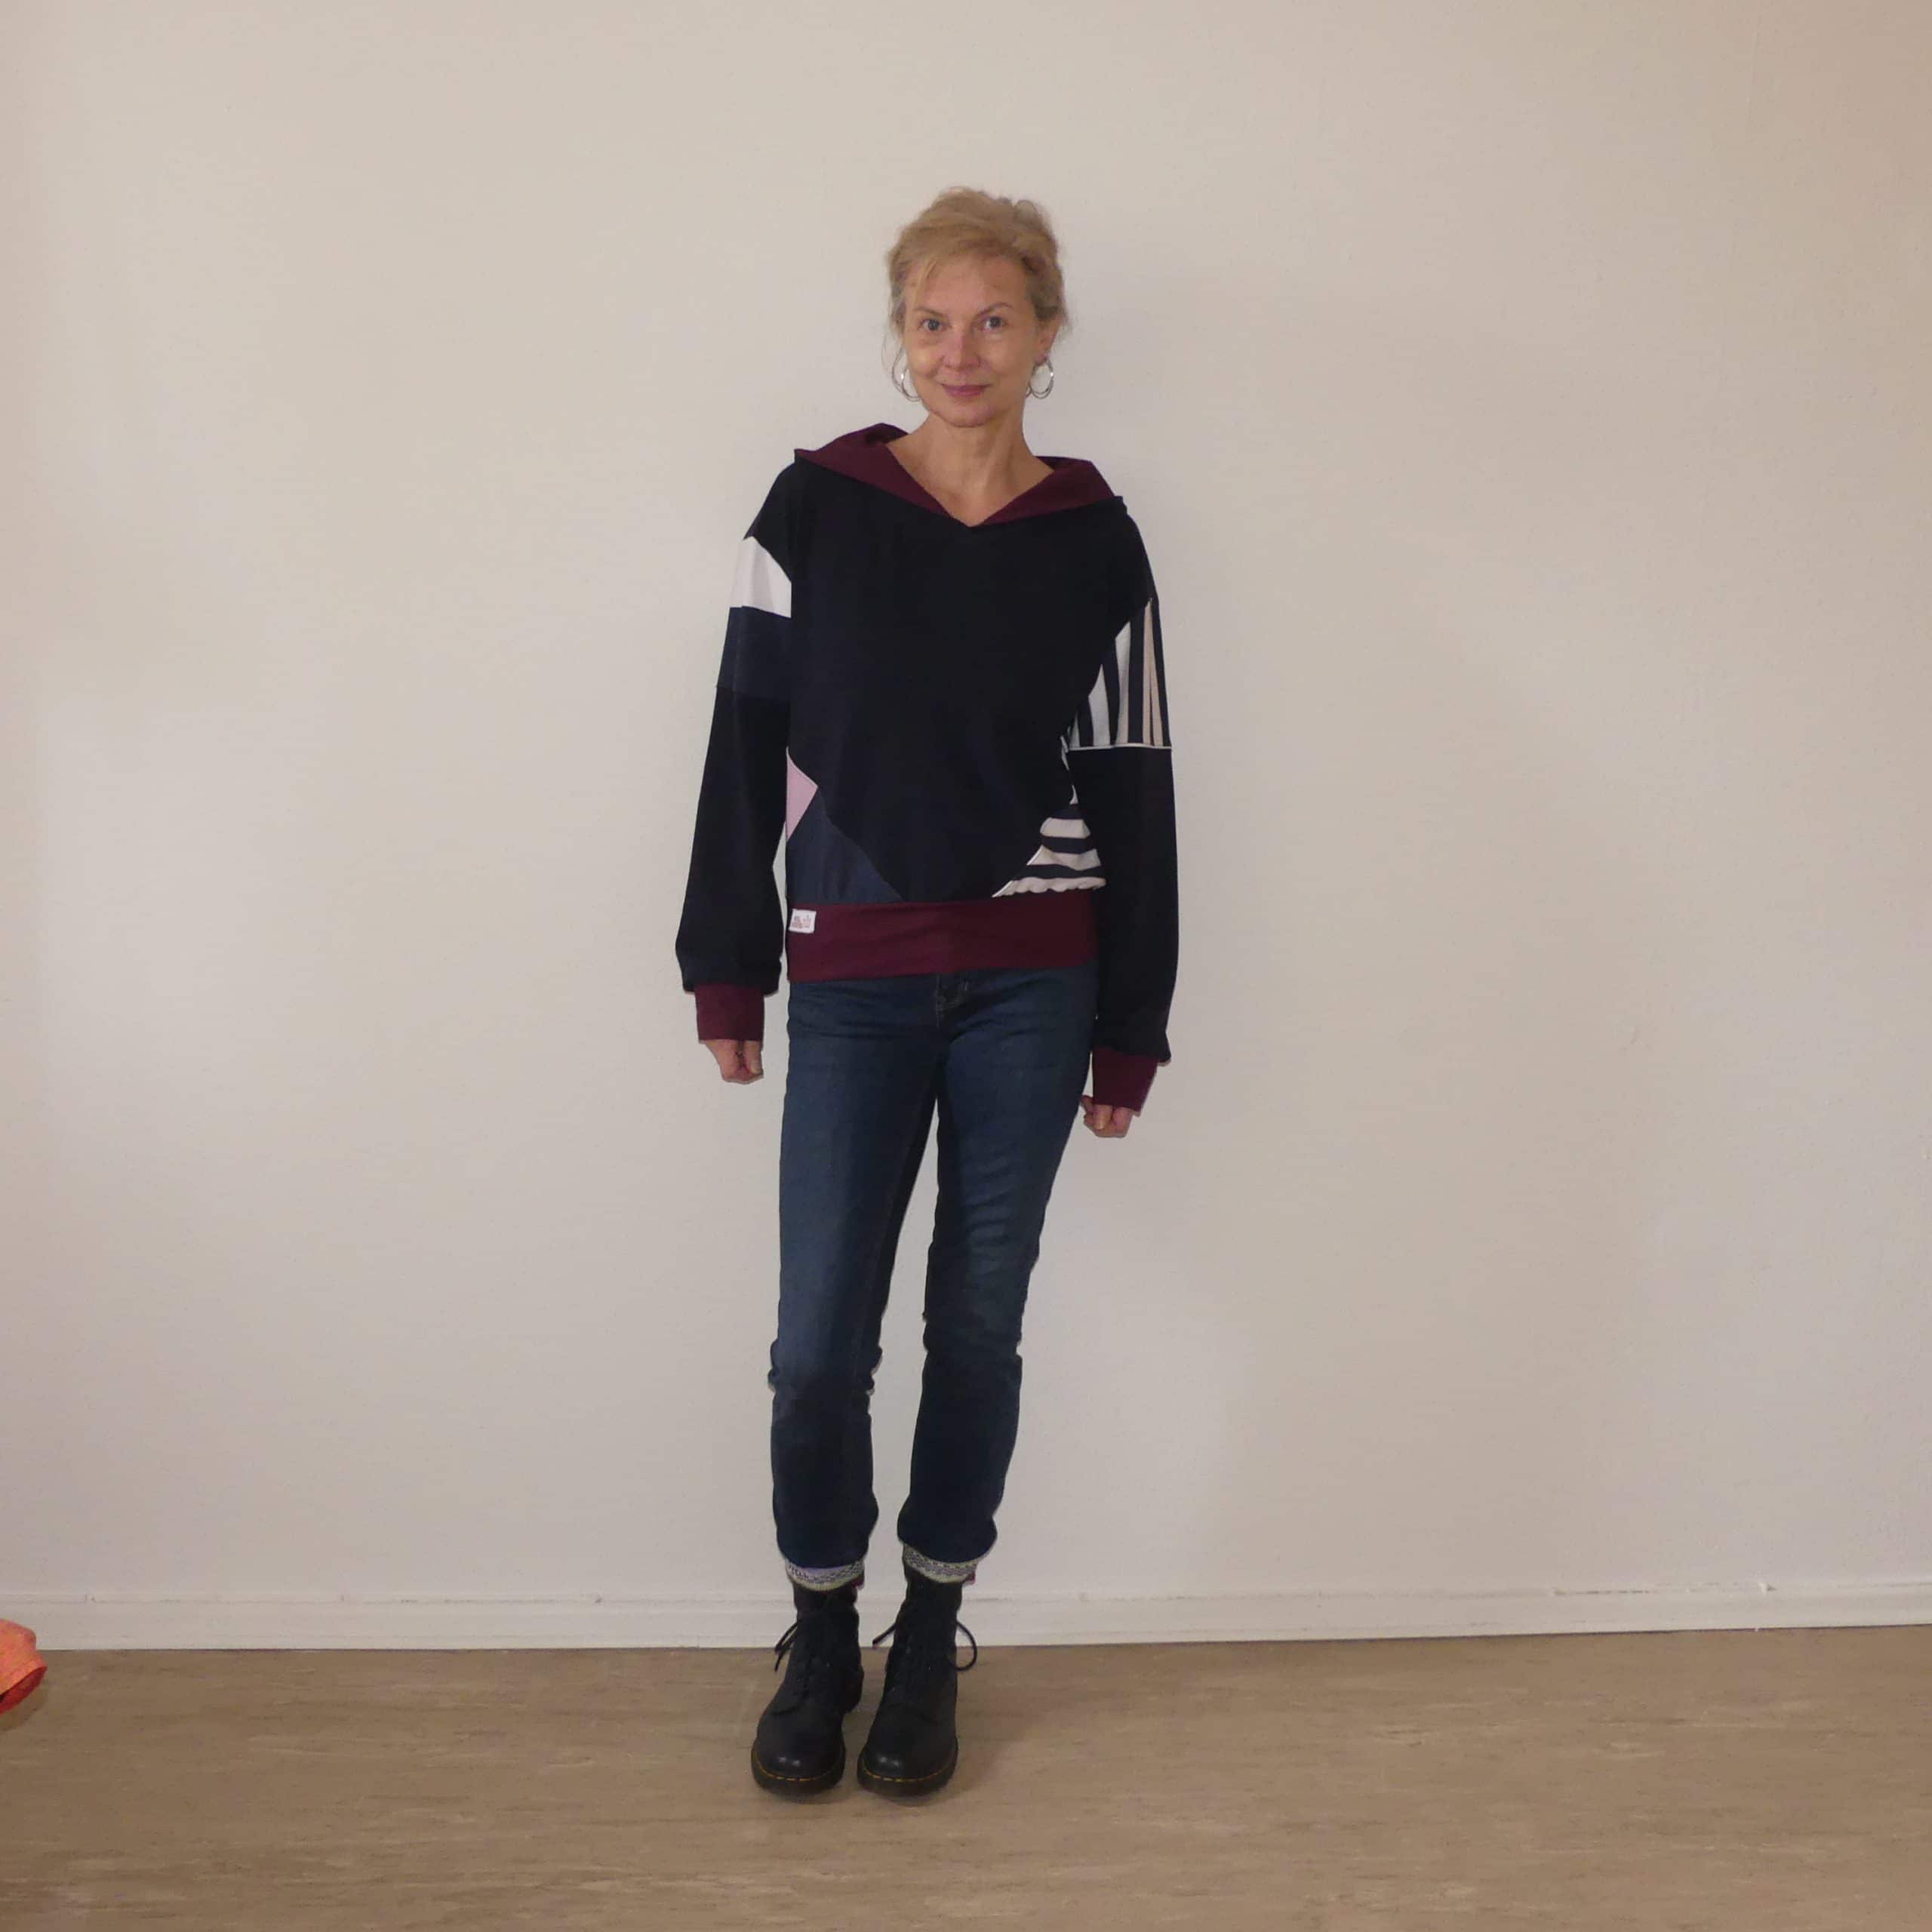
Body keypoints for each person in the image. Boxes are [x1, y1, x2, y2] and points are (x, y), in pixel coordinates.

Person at [675, 186, 1179, 1799]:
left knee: (976, 1325)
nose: (961, 351)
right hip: (856, 978)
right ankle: (823, 1627)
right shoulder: (815, 511)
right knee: (818, 1341)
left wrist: (1131, 1022)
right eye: (931, 320)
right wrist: (728, 965)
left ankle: (932, 1626)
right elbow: (744, 737)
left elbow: (1136, 781)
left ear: (1045, 335)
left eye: (994, 320)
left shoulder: (1093, 540)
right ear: (899, 334)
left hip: (1036, 983)